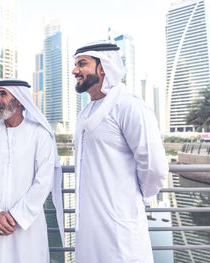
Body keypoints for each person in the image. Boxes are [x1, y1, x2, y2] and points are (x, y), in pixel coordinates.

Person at [71, 42, 169, 262]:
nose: (75, 70)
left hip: (121, 224)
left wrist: (131, 199)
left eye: (82, 64)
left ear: (103, 67)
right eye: (75, 64)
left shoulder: (128, 106)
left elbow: (154, 166)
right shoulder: (85, 113)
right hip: (89, 227)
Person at [0, 79, 64, 263]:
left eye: (2, 94)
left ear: (19, 100)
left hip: (28, 227)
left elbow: (43, 181)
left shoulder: (40, 135)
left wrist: (17, 216)